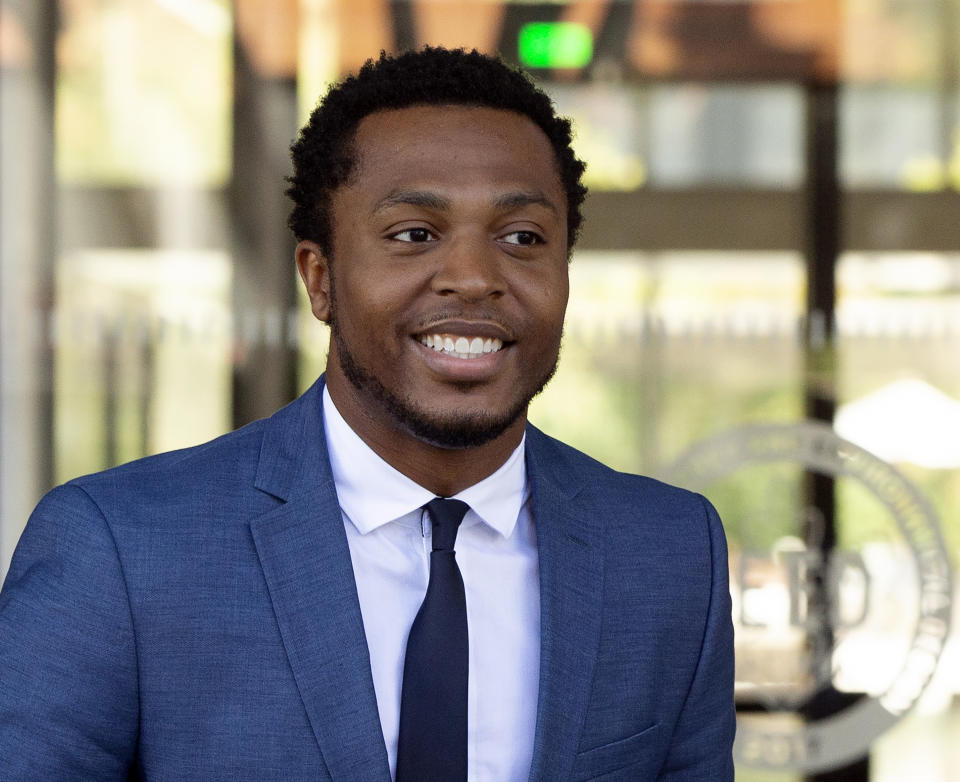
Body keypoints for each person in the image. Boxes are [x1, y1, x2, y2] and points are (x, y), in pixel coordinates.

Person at [0, 47, 734, 781]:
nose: (475, 278)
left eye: (522, 239)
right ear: (319, 280)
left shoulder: (669, 556)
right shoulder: (120, 549)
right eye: (414, 234)